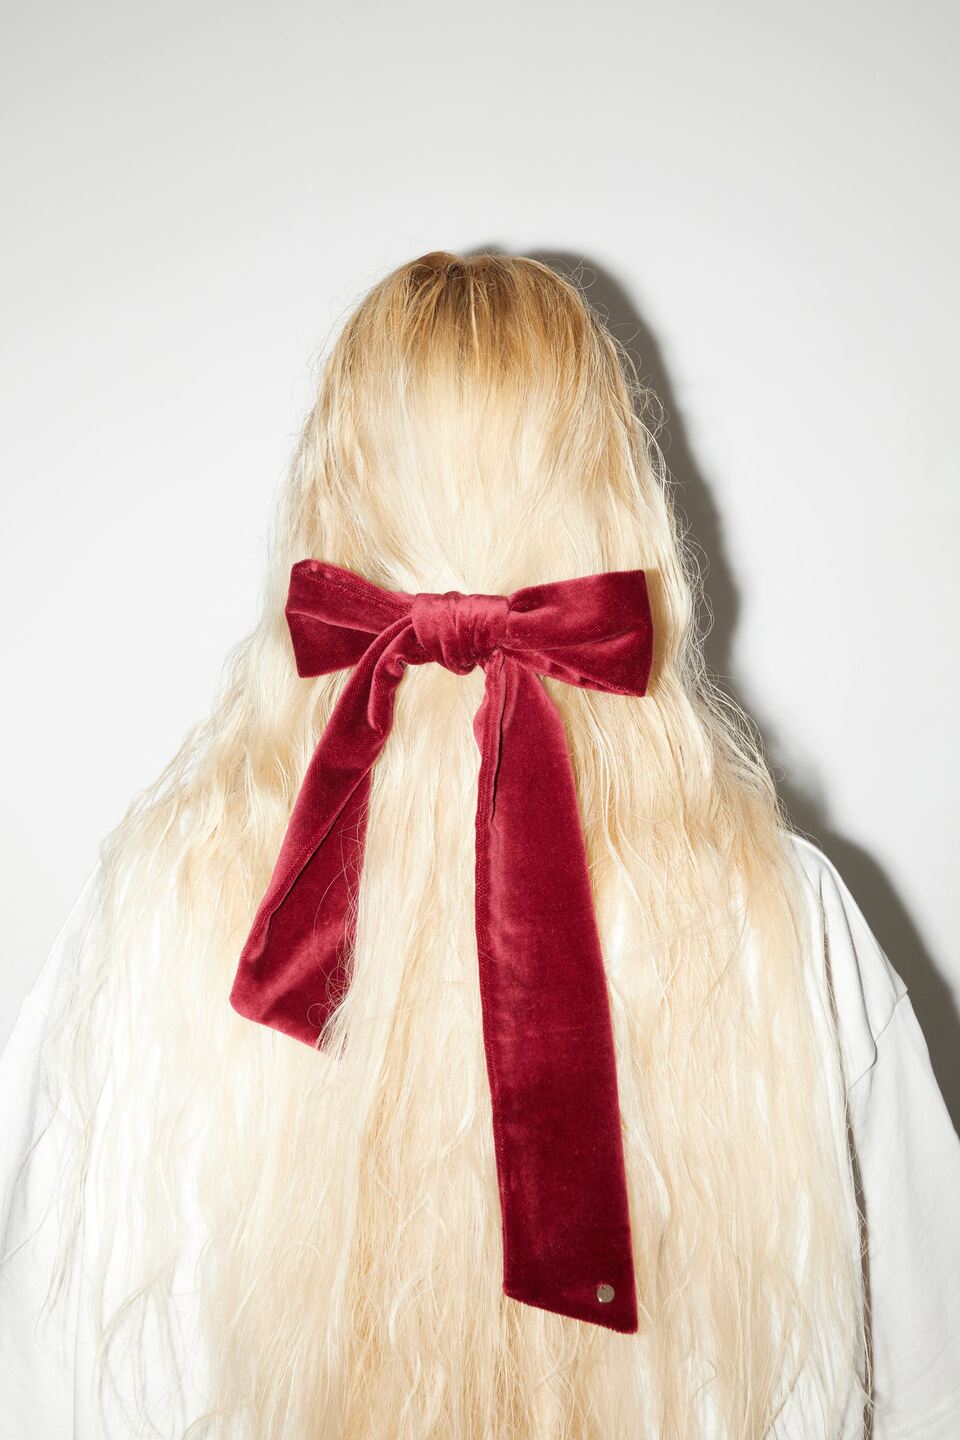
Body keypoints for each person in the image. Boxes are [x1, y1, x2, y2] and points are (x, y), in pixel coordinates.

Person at [1, 251, 958, 1439]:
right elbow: (933, 1382)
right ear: (618, 504)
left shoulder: (145, 923)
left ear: (327, 505)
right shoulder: (783, 919)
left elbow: (31, 1381)